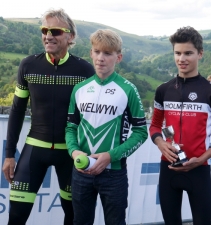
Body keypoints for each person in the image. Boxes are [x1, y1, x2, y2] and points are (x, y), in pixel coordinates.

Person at [2, 8, 95, 225]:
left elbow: (92, 116)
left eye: (55, 30)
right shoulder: (28, 65)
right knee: (16, 216)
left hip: (72, 154)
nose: (48, 35)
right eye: (45, 29)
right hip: (35, 148)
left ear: (70, 36)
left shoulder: (84, 70)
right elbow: (16, 110)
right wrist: (8, 155)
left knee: (72, 217)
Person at [149, 26, 211, 225]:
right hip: (168, 167)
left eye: (188, 53)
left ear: (200, 54)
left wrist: (202, 158)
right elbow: (154, 126)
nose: (182, 59)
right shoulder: (163, 90)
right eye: (177, 53)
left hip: (198, 169)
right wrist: (160, 143)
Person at [65, 29, 148, 225]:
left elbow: (141, 132)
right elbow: (70, 128)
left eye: (107, 53)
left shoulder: (128, 89)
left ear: (118, 57)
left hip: (114, 173)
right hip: (81, 171)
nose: (101, 58)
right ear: (91, 53)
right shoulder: (79, 89)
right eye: (97, 51)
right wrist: (75, 152)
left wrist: (111, 156)